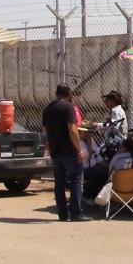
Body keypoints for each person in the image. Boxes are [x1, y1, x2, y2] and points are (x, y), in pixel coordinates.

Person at [42, 84, 90, 222]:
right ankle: (76, 213)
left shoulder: (48, 109)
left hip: (55, 150)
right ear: (70, 95)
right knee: (76, 178)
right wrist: (79, 149)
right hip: (69, 150)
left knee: (59, 181)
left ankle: (62, 214)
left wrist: (48, 147)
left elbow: (45, 131)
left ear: (56, 93)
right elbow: (72, 129)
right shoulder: (68, 108)